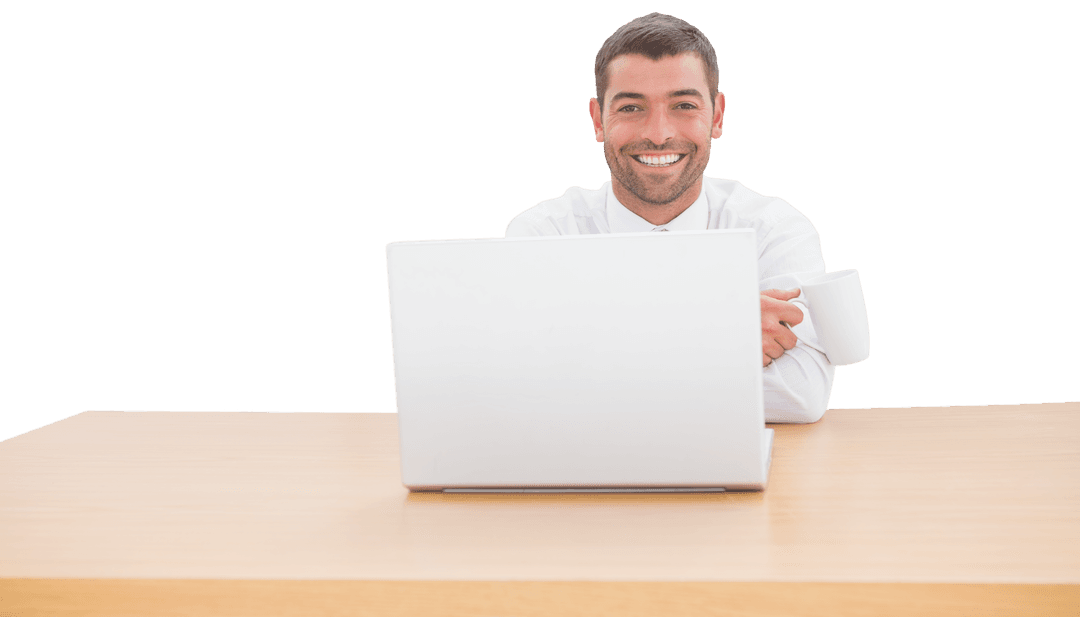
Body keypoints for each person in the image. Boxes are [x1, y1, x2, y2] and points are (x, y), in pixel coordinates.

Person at [505, 13, 834, 423]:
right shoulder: (543, 232)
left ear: (716, 115)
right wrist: (720, 329)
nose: (659, 133)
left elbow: (798, 394)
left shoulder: (775, 229)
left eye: (683, 105)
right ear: (597, 120)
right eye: (630, 107)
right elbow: (527, 390)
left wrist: (596, 356)